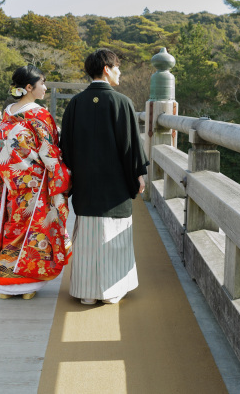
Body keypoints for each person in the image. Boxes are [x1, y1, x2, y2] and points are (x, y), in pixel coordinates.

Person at [59, 49, 149, 305]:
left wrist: (74, 178)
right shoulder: (122, 103)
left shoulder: (75, 103)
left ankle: (87, 293)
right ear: (107, 69)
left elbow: (66, 146)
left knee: (87, 237)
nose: (120, 72)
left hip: (86, 185)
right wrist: (138, 176)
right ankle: (111, 291)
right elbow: (131, 147)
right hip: (116, 186)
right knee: (114, 236)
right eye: (118, 68)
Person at [0, 65, 72, 300]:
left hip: (11, 182)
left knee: (14, 226)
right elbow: (49, 151)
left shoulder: (7, 114)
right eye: (42, 83)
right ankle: (25, 284)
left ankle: (7, 283)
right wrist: (63, 173)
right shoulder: (38, 114)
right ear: (29, 87)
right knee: (35, 229)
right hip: (36, 182)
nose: (45, 87)